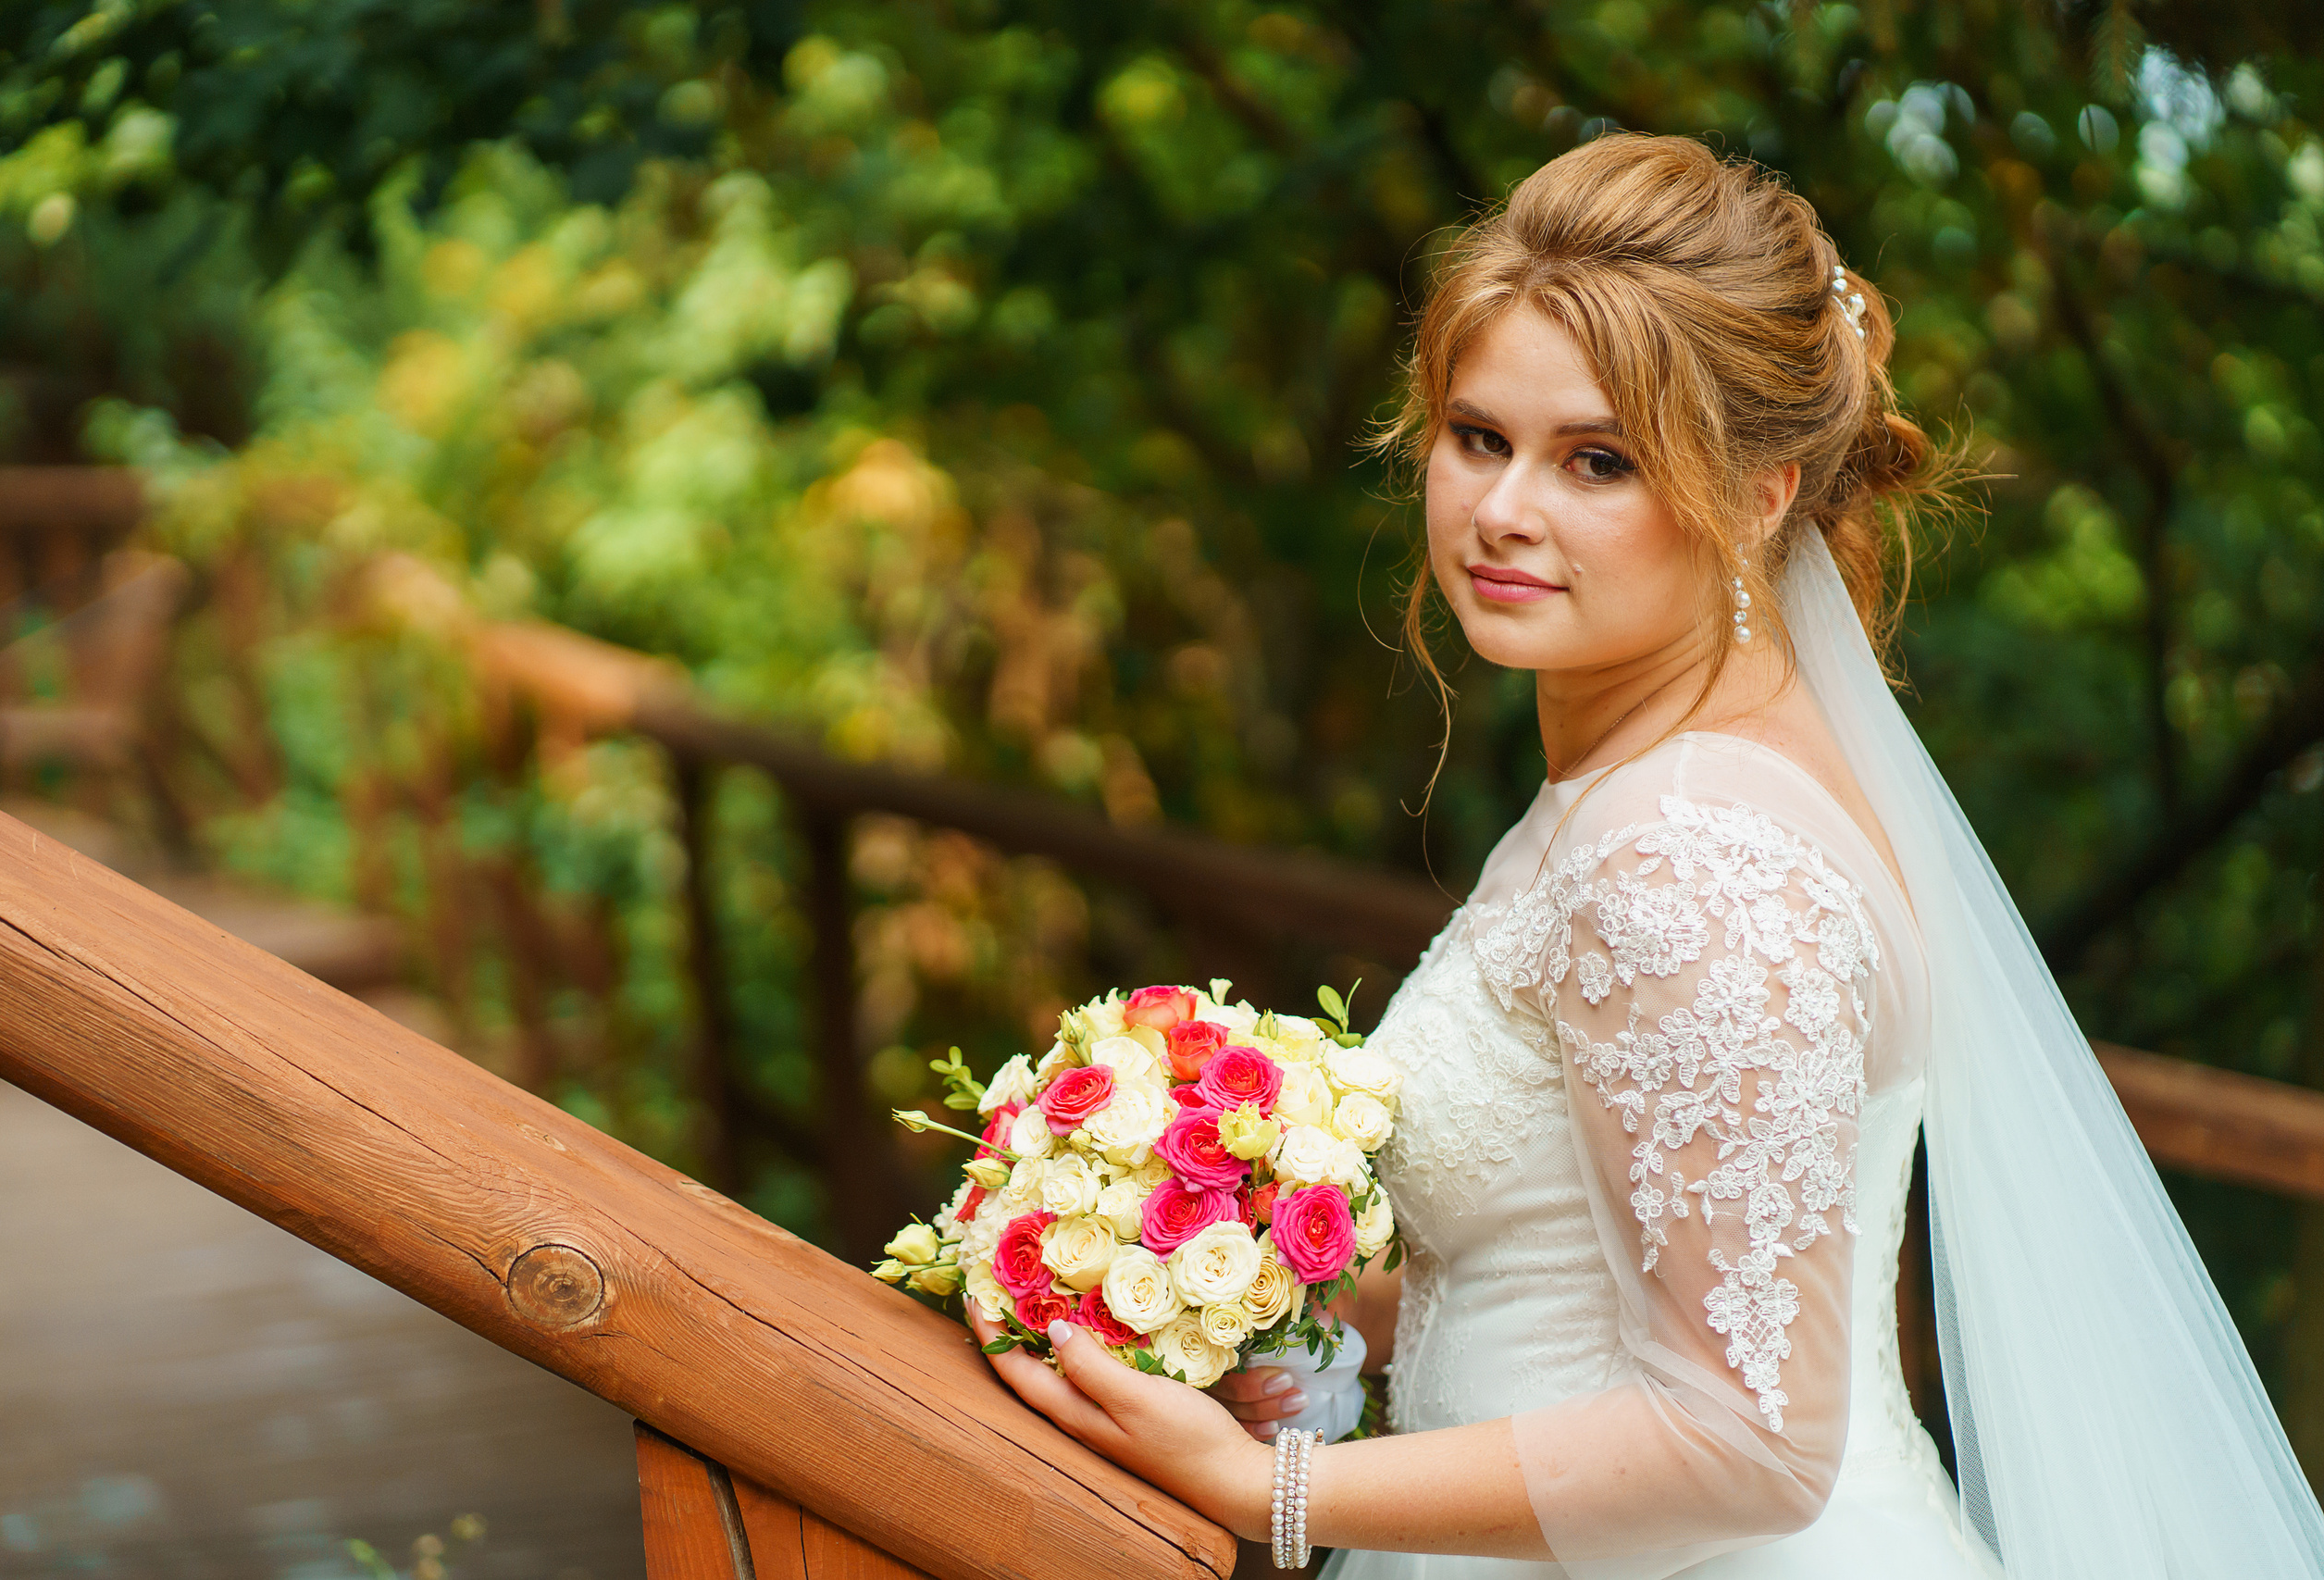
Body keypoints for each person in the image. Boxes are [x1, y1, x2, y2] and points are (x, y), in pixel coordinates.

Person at [968, 132, 2324, 1576]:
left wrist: (1277, 1494)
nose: (1503, 511)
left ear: (1759, 493)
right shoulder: (1666, 779)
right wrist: (1249, 1311)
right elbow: (1566, 1262)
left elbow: (1746, 1445)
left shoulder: (1686, 865)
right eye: (1479, 436)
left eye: (1596, 461)